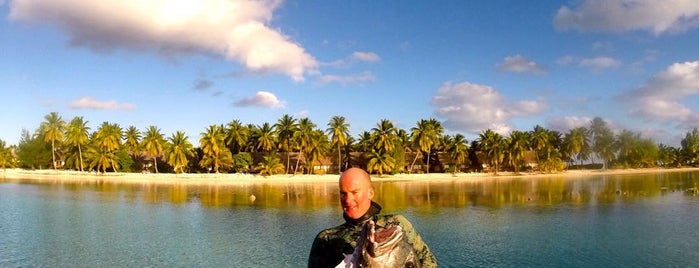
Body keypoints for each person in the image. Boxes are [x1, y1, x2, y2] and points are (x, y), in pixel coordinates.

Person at [308, 167, 437, 267]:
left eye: (354, 192)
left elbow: (428, 261)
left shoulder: (398, 223)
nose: (348, 199)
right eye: (343, 193)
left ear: (370, 193)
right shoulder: (326, 238)